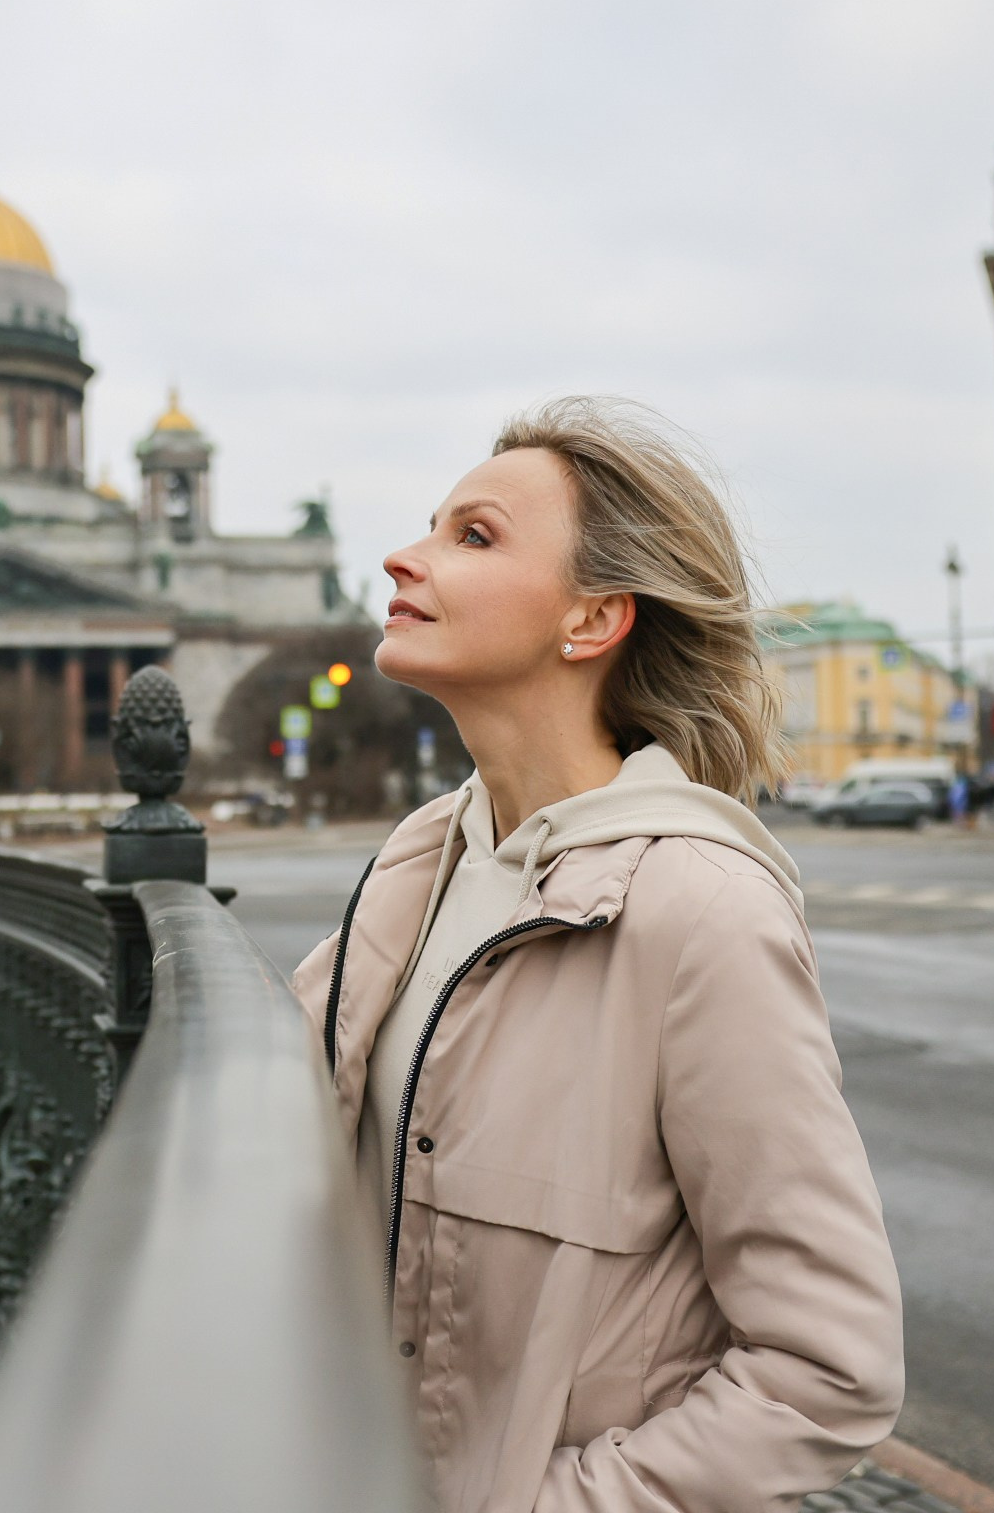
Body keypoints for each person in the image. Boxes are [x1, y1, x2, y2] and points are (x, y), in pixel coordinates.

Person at [289, 399, 903, 1512]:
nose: (402, 555)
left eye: (471, 536)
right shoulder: (421, 863)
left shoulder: (699, 910)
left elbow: (830, 1369)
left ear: (592, 620)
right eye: (432, 525)